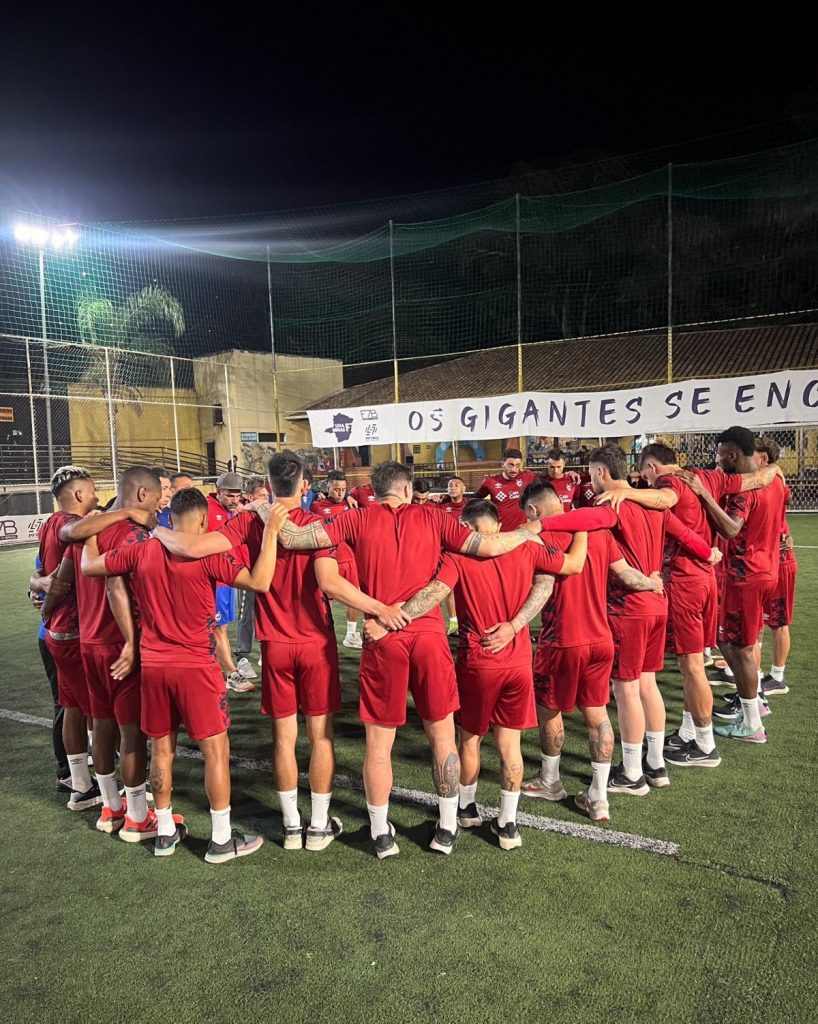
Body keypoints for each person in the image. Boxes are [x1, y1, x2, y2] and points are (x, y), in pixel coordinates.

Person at [275, 459, 551, 858]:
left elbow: (293, 539)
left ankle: (381, 834)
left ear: (375, 490)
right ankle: (448, 828)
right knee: (443, 737)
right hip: (429, 637)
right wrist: (529, 530)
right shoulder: (435, 517)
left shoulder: (355, 518)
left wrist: (265, 508)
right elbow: (490, 545)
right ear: (407, 489)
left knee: (378, 745)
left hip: (382, 637)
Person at [152, 452, 407, 853]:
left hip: (274, 645)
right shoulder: (319, 524)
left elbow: (196, 546)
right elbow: (334, 584)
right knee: (320, 737)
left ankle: (291, 826)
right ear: (305, 485)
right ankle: (318, 826)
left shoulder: (249, 521)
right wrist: (379, 610)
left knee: (284, 739)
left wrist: (157, 529)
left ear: (268, 485)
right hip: (314, 643)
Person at [366, 498, 587, 849]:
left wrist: (390, 620)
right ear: (498, 525)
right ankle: (508, 825)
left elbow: (434, 594)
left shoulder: (458, 556)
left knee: (469, 740)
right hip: (517, 662)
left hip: (479, 660)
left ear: (466, 529)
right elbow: (566, 570)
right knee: (510, 744)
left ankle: (464, 811)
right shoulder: (527, 547)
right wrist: (582, 524)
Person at [82, 487, 288, 861]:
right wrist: (271, 532)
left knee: (162, 751)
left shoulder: (142, 550)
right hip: (196, 668)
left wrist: (90, 531)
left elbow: (90, 566)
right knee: (216, 752)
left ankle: (164, 833)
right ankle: (221, 840)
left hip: (154, 667)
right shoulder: (208, 554)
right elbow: (260, 582)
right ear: (204, 519)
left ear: (170, 517)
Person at [605, 442, 780, 768]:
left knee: (693, 667)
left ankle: (705, 745)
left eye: (646, 476)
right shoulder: (709, 477)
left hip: (684, 582)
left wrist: (626, 492)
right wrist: (774, 468)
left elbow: (664, 499)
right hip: (707, 579)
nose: (647, 482)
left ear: (652, 467)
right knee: (696, 664)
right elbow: (756, 479)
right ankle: (689, 730)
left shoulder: (669, 483)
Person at [519, 481, 663, 822]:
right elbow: (626, 574)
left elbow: (542, 588)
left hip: (561, 640)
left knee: (550, 710)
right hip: (601, 640)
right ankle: (598, 796)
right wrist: (652, 582)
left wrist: (514, 624)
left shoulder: (540, 536)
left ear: (534, 510)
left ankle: (550, 780)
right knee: (598, 715)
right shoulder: (598, 533)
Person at [589, 445, 713, 795]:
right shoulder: (653, 504)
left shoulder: (608, 506)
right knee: (647, 684)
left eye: (592, 473)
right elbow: (686, 535)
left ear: (601, 473)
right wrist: (710, 553)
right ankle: (655, 765)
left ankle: (632, 772)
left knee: (626, 689)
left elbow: (576, 528)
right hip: (658, 603)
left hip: (627, 607)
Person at [55, 466, 162, 839]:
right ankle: (137, 817)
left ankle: (111, 808)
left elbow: (64, 575)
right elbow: (119, 588)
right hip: (120, 644)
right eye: (158, 495)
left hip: (89, 642)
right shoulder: (134, 534)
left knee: (101, 725)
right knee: (131, 733)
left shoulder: (90, 528)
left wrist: (45, 604)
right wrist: (134, 641)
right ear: (143, 494)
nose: (160, 502)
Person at [680, 427, 786, 744]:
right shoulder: (774, 479)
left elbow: (730, 528)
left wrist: (704, 494)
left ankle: (752, 722)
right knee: (739, 643)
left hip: (746, 575)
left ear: (734, 454)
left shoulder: (744, 490)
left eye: (720, 454)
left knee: (738, 649)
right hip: (766, 570)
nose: (718, 460)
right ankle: (754, 702)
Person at [37, 466, 101, 812]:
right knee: (101, 711)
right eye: (92, 491)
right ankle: (114, 787)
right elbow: (60, 580)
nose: (96, 497)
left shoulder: (48, 523)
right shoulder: (69, 525)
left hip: (57, 632)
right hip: (76, 630)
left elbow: (43, 574)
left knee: (72, 707)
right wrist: (127, 512)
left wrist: (38, 589)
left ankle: (80, 786)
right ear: (78, 494)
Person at [754, 437, 797, 698]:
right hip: (763, 561)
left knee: (778, 622)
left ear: (763, 459)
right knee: (755, 621)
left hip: (780, 562)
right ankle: (754, 675)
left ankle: (777, 677)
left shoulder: (774, 481)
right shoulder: (760, 480)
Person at [28, 555, 70, 789]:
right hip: (59, 635)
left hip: (62, 634)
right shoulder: (65, 544)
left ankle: (76, 765)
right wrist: (37, 588)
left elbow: (38, 579)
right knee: (66, 704)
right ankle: (66, 772)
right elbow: (40, 576)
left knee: (79, 705)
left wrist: (36, 586)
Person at [207, 472, 250, 693]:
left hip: (227, 579)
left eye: (237, 495)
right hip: (214, 580)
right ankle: (231, 673)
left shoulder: (233, 511)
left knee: (221, 627)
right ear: (218, 491)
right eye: (229, 495)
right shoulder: (207, 509)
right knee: (219, 628)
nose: (234, 500)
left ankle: (223, 671)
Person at [311, 471, 363, 648]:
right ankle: (324, 633)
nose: (340, 493)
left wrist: (348, 497)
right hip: (328, 559)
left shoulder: (352, 504)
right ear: (327, 487)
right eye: (336, 489)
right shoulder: (316, 506)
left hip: (349, 558)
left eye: (343, 490)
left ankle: (351, 634)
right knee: (325, 599)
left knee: (354, 595)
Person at [235, 476, 269, 677]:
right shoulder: (242, 517)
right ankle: (243, 657)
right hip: (247, 573)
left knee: (268, 612)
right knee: (246, 615)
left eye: (267, 495)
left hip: (267, 572)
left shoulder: (269, 517)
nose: (266, 499)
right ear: (250, 497)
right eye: (261, 495)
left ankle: (266, 651)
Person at [475, 448, 539, 531]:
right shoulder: (490, 481)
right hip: (499, 531)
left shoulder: (528, 476)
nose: (514, 470)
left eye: (517, 465)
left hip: (521, 532)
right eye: (510, 465)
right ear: (503, 464)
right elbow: (476, 498)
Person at [439, 477, 469, 631]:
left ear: (464, 488)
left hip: (466, 554)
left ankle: (469, 621)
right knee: (449, 589)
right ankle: (453, 624)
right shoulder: (441, 507)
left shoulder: (470, 506)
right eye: (450, 485)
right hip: (447, 554)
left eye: (457, 485)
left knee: (468, 590)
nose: (453, 487)